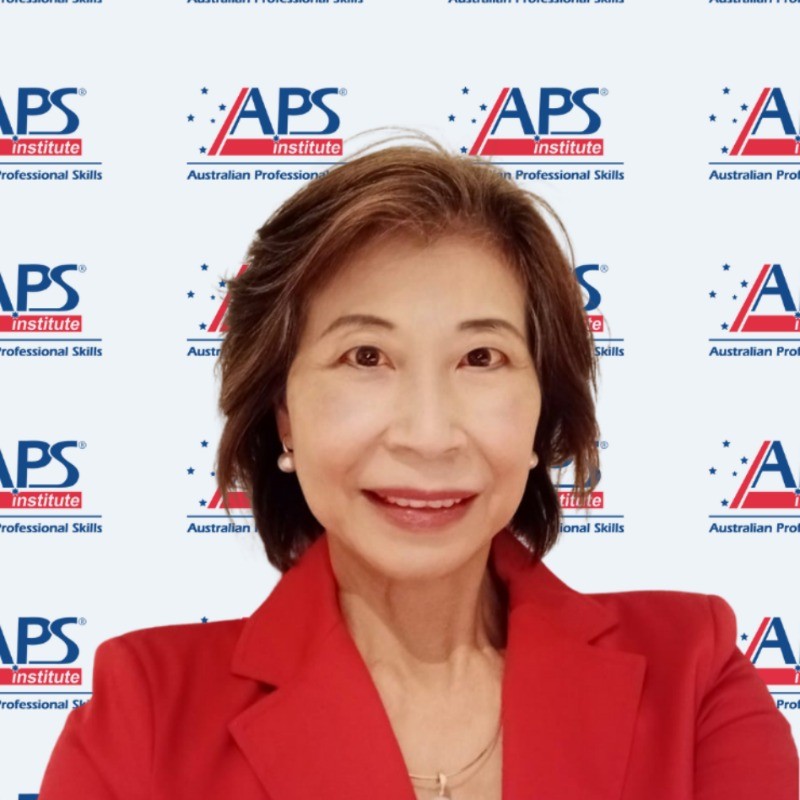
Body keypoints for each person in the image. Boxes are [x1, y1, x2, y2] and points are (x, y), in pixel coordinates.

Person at [39, 133, 799, 800]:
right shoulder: (144, 716)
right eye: (366, 357)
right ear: (283, 413)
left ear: (543, 409)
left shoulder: (691, 676)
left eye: (482, 358)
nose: (429, 436)